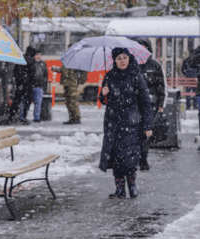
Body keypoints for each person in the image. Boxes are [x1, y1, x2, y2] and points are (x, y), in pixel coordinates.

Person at [98, 48, 153, 199]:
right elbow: (104, 101)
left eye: (125, 57)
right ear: (114, 61)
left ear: (129, 58)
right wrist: (103, 94)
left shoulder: (136, 76)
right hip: (112, 123)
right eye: (119, 58)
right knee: (115, 157)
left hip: (131, 123)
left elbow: (146, 102)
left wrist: (148, 125)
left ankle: (132, 186)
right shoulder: (109, 76)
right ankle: (119, 189)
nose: (122, 61)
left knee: (130, 157)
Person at [135, 38, 167, 171]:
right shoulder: (131, 64)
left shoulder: (155, 65)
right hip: (133, 103)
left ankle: (143, 159)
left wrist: (160, 103)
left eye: (144, 48)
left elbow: (160, 86)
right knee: (134, 132)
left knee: (146, 132)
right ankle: (135, 158)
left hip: (150, 104)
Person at [51, 44, 88, 125]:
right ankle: (72, 117)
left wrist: (80, 80)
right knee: (68, 101)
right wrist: (56, 69)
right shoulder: (69, 59)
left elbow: (84, 70)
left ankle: (76, 118)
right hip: (67, 83)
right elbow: (63, 69)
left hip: (72, 83)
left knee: (73, 101)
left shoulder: (77, 59)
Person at [6, 46, 36, 125]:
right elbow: (32, 74)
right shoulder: (31, 60)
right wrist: (30, 83)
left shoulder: (21, 59)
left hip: (20, 85)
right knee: (26, 102)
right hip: (28, 85)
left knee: (16, 102)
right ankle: (23, 117)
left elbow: (16, 73)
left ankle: (11, 117)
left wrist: (19, 83)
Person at [31, 50, 49, 122]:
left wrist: (44, 84)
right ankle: (23, 117)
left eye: (39, 55)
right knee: (29, 103)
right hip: (32, 85)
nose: (38, 56)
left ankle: (36, 117)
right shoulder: (32, 63)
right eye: (37, 55)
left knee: (38, 103)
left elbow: (45, 75)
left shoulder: (43, 63)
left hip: (39, 86)